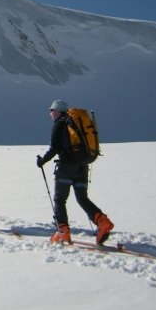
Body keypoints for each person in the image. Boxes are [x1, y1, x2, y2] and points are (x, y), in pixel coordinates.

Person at [36, 100, 114, 245]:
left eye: (51, 110)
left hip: (66, 167)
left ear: (58, 111)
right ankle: (102, 222)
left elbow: (54, 148)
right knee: (82, 198)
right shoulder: (76, 124)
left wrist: (42, 161)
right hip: (83, 166)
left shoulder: (59, 124)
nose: (50, 114)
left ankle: (63, 232)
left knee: (60, 199)